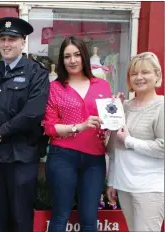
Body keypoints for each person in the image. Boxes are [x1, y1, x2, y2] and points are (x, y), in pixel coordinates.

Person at [0, 17, 49, 232]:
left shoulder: (36, 72)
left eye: (12, 39)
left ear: (23, 42)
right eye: (3, 39)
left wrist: (0, 133)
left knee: (20, 216)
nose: (6, 44)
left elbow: (33, 113)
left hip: (22, 155)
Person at [42, 36, 112, 232]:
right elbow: (50, 127)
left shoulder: (101, 85)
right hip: (63, 156)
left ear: (84, 57)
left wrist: (115, 110)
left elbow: (107, 121)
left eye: (77, 55)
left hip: (94, 160)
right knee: (60, 217)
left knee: (90, 220)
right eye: (67, 56)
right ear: (61, 60)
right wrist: (79, 127)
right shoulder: (55, 88)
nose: (72, 60)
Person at [107, 52, 164, 231]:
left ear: (157, 75)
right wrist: (112, 181)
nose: (139, 78)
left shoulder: (161, 106)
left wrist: (130, 141)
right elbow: (113, 149)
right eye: (134, 74)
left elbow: (162, 148)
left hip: (150, 188)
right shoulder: (125, 106)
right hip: (125, 185)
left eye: (145, 72)